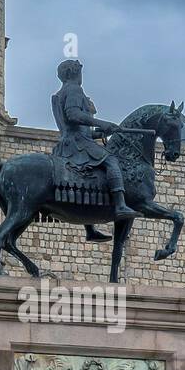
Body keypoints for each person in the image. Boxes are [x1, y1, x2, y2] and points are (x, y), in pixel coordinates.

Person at [51, 58, 138, 237]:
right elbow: (73, 114)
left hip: (70, 141)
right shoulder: (74, 89)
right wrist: (102, 122)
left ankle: (90, 228)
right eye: (80, 72)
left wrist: (99, 133)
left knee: (90, 177)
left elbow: (75, 127)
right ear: (75, 73)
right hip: (77, 145)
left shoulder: (59, 94)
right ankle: (121, 205)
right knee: (112, 161)